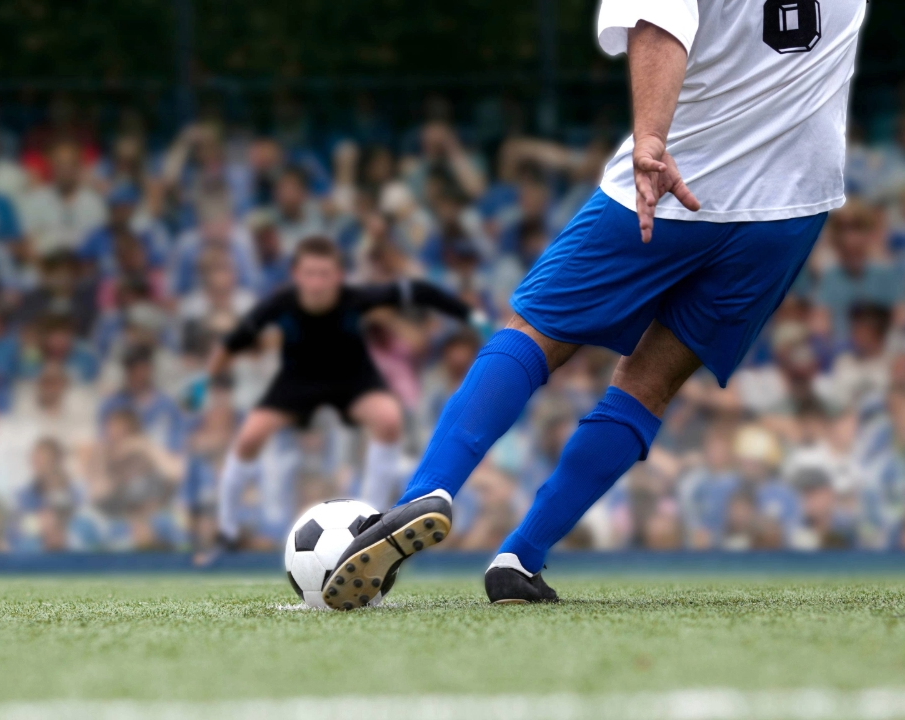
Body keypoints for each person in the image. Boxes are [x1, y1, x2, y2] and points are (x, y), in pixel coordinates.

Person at [322, 0, 870, 609]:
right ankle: (520, 557)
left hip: (673, 177)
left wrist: (651, 141)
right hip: (788, 208)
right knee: (649, 383)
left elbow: (661, 21)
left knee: (535, 331)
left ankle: (427, 492)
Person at [207, 236, 477, 546]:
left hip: (351, 377)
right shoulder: (280, 304)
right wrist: (206, 380)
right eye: (310, 273)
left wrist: (469, 316)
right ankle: (225, 529)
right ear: (296, 275)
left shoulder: (357, 298)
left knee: (388, 418)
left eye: (325, 274)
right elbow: (233, 341)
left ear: (338, 276)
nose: (317, 282)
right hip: (297, 379)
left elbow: (419, 291)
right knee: (250, 435)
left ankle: (373, 521)